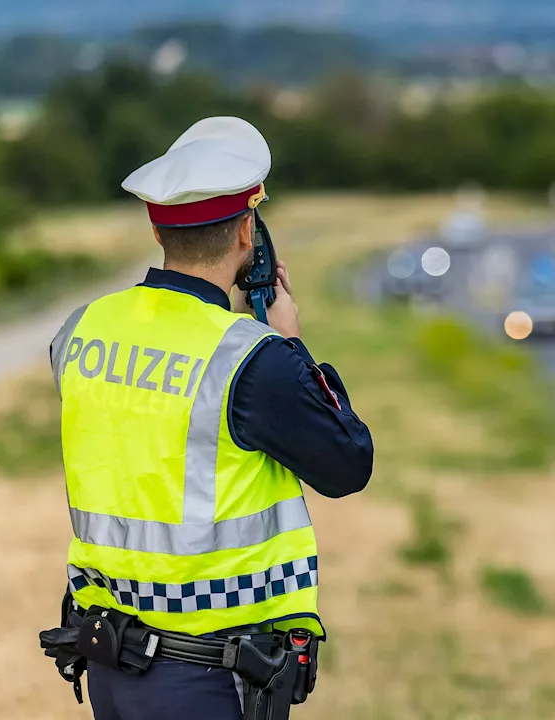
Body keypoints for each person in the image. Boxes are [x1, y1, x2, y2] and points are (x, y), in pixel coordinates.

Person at [40, 116, 374, 719]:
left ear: (156, 225)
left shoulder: (81, 330)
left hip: (110, 666)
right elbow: (348, 464)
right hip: (206, 678)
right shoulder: (252, 359)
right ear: (248, 230)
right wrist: (291, 345)